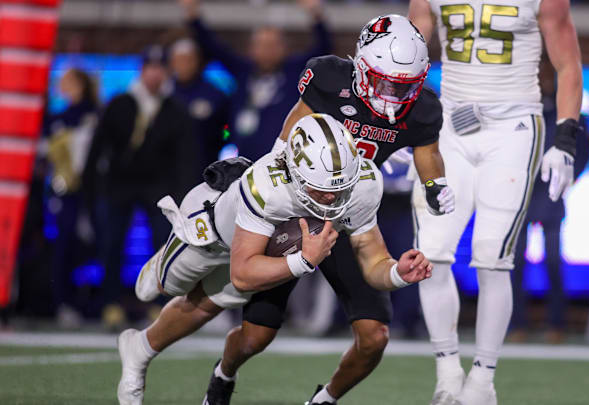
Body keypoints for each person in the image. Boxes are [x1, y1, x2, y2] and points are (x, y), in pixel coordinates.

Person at [207, 15, 452, 405]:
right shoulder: (328, 79)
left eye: (403, 86)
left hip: (353, 210)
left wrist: (435, 185)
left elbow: (428, 153)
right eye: (385, 81)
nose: (391, 94)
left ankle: (325, 400)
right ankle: (223, 374)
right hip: (299, 209)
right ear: (362, 65)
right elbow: (285, 145)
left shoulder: (422, 108)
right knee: (257, 335)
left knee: (374, 337)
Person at [115, 113, 432, 405]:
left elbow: (373, 260)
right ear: (294, 172)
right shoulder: (268, 185)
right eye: (321, 191)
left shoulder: (364, 183)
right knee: (158, 287)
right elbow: (242, 271)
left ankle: (139, 350)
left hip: (270, 247)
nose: (332, 199)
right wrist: (304, 261)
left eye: (340, 188)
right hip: (211, 235)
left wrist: (397, 273)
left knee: (212, 300)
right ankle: (163, 261)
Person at [408, 0, 583, 403]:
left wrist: (566, 138)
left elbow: (569, 64)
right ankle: (447, 372)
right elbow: (409, 48)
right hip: (448, 124)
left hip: (513, 126)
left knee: (491, 256)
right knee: (429, 255)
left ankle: (483, 380)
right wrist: (400, 119)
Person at [82, 45, 196, 328]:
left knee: (163, 245)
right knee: (112, 244)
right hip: (119, 185)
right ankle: (110, 302)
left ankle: (160, 305)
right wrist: (92, 188)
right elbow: (98, 148)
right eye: (150, 68)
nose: (155, 75)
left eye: (160, 68)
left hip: (157, 186)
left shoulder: (174, 109)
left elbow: (184, 156)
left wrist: (181, 195)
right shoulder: (120, 103)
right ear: (142, 71)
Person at [180, 0, 332, 160]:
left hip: (284, 161)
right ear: (251, 48)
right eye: (261, 45)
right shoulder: (243, 71)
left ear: (284, 48)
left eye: (273, 45)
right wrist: (192, 12)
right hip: (243, 162)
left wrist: (316, 13)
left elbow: (324, 48)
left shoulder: (295, 71)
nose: (267, 50)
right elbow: (211, 46)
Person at [508, 57, 589, 344]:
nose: (541, 80)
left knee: (553, 264)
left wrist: (566, 178)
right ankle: (516, 324)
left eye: (545, 74)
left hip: (552, 197)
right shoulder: (518, 110)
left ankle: (557, 324)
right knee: (514, 263)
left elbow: (582, 150)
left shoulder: (567, 112)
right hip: (520, 197)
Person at [45, 68, 100, 326]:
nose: (64, 86)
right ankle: (63, 301)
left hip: (93, 191)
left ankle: (90, 302)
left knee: (92, 245)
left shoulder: (95, 115)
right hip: (67, 192)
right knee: (64, 244)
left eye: (69, 81)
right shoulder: (58, 118)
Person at [169, 37, 230, 169]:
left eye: (188, 60)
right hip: (170, 166)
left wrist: (222, 140)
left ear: (197, 61)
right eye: (180, 60)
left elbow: (227, 127)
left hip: (204, 163)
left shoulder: (214, 94)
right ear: (172, 63)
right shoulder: (165, 92)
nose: (184, 65)